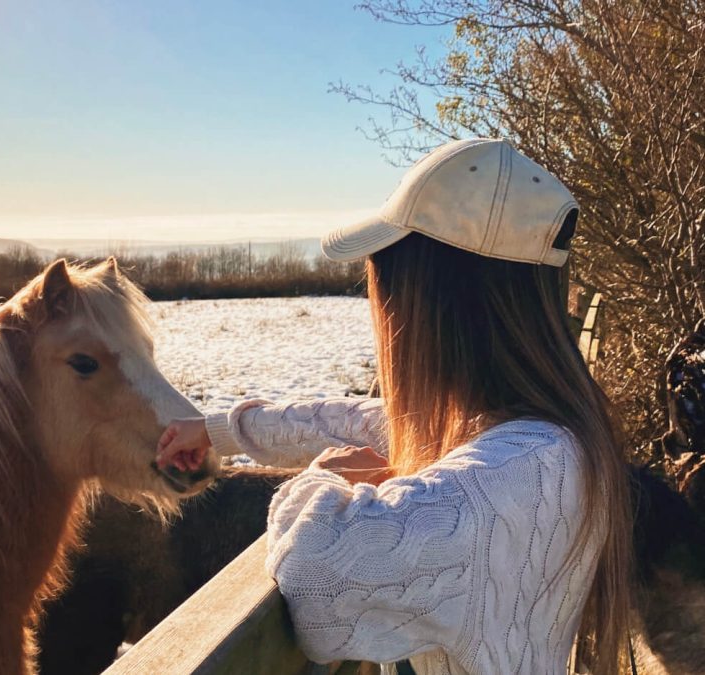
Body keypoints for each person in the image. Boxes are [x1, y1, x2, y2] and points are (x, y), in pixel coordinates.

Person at [155, 139, 632, 674]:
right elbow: (350, 420)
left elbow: (316, 578)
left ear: (430, 304)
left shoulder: (496, 485)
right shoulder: (544, 437)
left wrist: (322, 479)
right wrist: (219, 430)